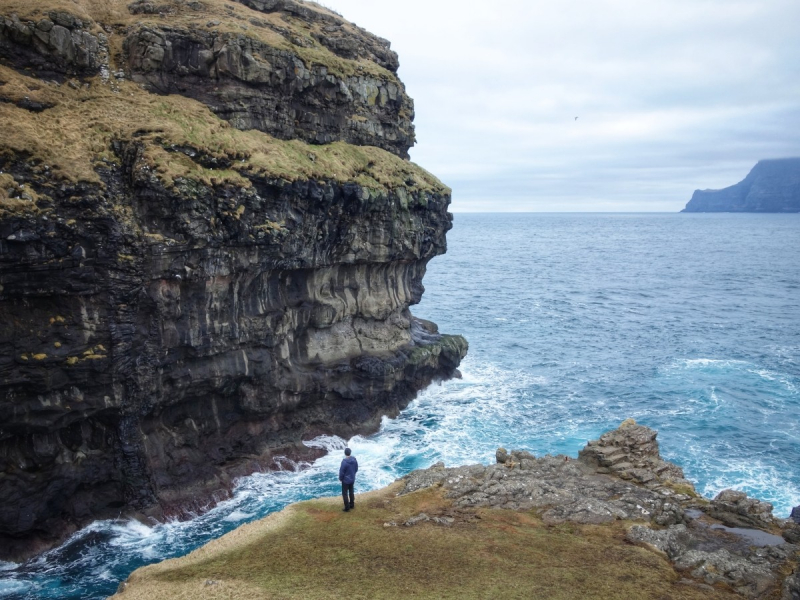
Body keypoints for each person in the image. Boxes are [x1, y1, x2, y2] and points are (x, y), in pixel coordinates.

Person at [338, 447, 358, 512]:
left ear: (345, 453)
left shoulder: (344, 462)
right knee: (351, 491)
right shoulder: (354, 460)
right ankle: (352, 505)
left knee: (345, 493)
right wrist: (353, 474)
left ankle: (347, 508)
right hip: (352, 478)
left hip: (345, 480)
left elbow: (341, 472)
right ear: (350, 453)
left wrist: (341, 479)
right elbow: (356, 468)